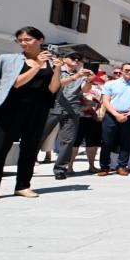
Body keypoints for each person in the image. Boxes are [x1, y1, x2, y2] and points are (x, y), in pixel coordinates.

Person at [0, 27, 62, 201]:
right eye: (20, 40)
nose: (24, 43)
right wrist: (37, 66)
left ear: (40, 40)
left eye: (28, 39)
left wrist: (56, 69)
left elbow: (53, 89)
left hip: (38, 111)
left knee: (30, 150)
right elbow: (15, 83)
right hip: (9, 109)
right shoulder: (9, 59)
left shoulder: (50, 62)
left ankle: (23, 185)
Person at [42, 52, 92, 180]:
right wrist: (76, 76)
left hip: (72, 110)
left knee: (68, 141)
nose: (76, 60)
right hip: (53, 107)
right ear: (64, 59)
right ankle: (27, 164)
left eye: (79, 59)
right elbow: (56, 84)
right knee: (40, 136)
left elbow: (85, 90)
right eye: (73, 58)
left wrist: (88, 80)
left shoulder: (81, 74)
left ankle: (60, 169)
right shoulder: (56, 69)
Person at [98, 62, 130, 177]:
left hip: (128, 117)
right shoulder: (110, 84)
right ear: (121, 71)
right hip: (111, 116)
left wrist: (128, 115)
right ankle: (104, 167)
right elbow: (106, 101)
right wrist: (116, 114)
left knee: (126, 143)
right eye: (127, 70)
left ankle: (122, 166)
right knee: (106, 142)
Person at [70, 75, 104, 174]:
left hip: (93, 118)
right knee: (75, 143)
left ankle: (92, 166)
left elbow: (101, 103)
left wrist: (98, 113)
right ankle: (69, 166)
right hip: (78, 117)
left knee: (92, 144)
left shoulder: (100, 87)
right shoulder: (77, 85)